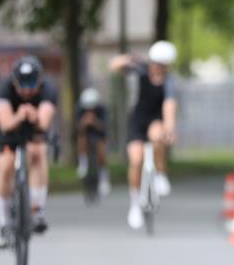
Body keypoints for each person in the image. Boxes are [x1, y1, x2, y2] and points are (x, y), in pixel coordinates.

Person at [109, 41, 178, 229]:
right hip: (137, 120)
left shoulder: (169, 81)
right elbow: (114, 66)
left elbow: (169, 105)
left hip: (156, 120)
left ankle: (161, 173)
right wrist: (128, 59)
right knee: (136, 160)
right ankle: (134, 204)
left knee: (157, 135)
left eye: (162, 65)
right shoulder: (140, 70)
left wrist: (170, 128)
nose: (158, 68)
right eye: (156, 63)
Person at [0, 56, 57, 248]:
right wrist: (19, 115)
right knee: (6, 166)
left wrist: (34, 117)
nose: (27, 91)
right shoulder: (4, 88)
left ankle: (37, 210)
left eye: (32, 85)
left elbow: (45, 123)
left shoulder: (48, 90)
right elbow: (5, 123)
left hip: (34, 129)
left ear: (40, 81)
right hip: (9, 129)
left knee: (38, 152)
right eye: (23, 85)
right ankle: (4, 222)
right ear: (14, 82)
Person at [76, 87, 110, 196]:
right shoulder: (80, 109)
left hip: (99, 134)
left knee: (101, 150)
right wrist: (84, 123)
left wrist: (94, 121)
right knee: (81, 139)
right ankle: (83, 161)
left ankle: (103, 176)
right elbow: (77, 128)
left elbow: (105, 127)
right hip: (86, 133)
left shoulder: (102, 109)